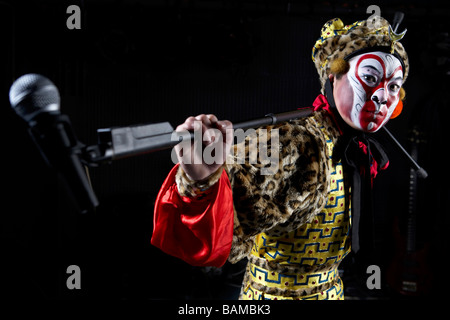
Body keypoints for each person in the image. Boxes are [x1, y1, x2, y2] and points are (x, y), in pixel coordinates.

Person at [151, 16, 409, 300]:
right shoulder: (295, 142)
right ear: (332, 76)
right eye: (370, 78)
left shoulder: (354, 146)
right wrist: (204, 178)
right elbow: (227, 222)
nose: (383, 96)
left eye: (394, 86)